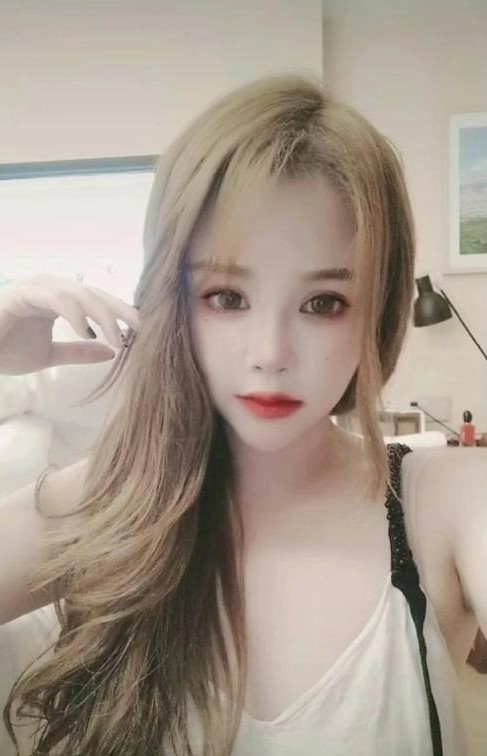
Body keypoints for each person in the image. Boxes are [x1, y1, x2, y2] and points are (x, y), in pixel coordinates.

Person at [0, 74, 485, 756]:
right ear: (171, 300)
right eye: (227, 297)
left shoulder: (446, 501)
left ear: (374, 314)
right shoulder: (104, 503)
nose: (270, 355)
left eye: (323, 303)